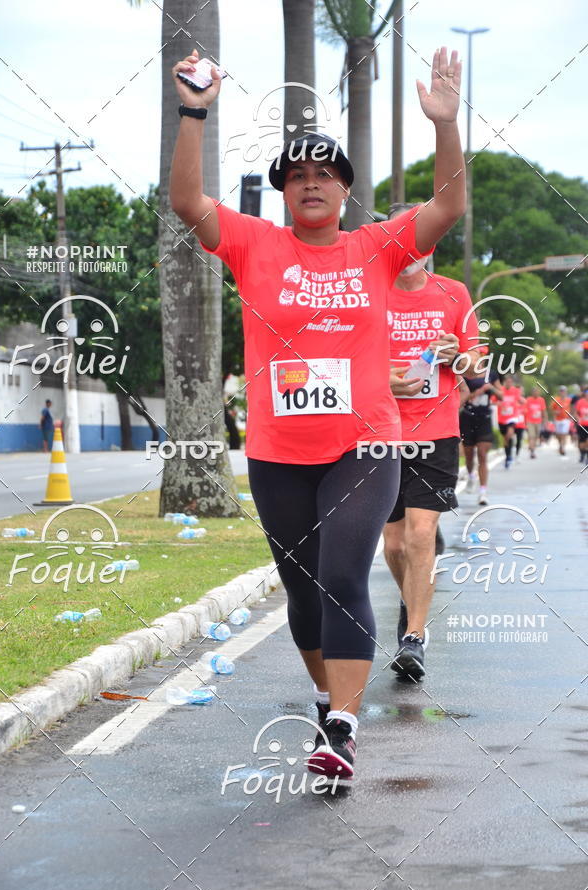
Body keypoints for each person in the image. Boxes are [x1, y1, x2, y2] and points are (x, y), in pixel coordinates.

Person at [169, 47, 466, 778]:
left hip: (364, 446)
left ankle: (341, 727)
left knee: (342, 575)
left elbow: (449, 205)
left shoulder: (376, 247)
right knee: (303, 591)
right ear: (282, 192)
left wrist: (445, 126)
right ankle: (328, 697)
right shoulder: (253, 244)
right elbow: (186, 202)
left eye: (323, 174)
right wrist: (193, 112)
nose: (309, 183)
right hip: (277, 452)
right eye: (296, 176)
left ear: (343, 189)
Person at [382, 203, 479, 680]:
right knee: (395, 544)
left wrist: (457, 355)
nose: (409, 247)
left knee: (422, 535)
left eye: (417, 237)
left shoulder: (454, 294)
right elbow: (345, 360)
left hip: (436, 432)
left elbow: (477, 369)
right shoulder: (370, 294)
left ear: (429, 244)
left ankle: (414, 638)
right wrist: (383, 377)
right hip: (380, 432)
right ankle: (410, 610)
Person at [460, 352, 503, 504]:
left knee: (483, 455)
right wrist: (477, 392)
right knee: (469, 454)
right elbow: (461, 397)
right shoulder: (464, 374)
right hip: (467, 418)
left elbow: (502, 395)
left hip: (484, 418)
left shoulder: (491, 374)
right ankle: (471, 475)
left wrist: (491, 387)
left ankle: (483, 491)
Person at [496, 375, 520, 469]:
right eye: (507, 382)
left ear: (512, 383)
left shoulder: (516, 391)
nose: (509, 383)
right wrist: (498, 403)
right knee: (506, 439)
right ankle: (508, 456)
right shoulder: (500, 390)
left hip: (512, 417)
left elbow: (518, 400)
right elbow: (493, 401)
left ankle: (509, 455)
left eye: (510, 382)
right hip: (501, 418)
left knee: (509, 434)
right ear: (504, 382)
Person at [525, 386, 547, 459]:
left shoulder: (541, 400)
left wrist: (545, 422)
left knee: (536, 437)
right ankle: (532, 452)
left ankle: (532, 448)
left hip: (538, 421)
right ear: (532, 392)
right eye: (534, 391)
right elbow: (525, 411)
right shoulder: (528, 400)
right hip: (530, 421)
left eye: (537, 391)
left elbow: (543, 411)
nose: (536, 393)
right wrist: (525, 421)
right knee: (532, 436)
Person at [550, 385, 572, 456]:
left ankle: (563, 447)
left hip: (566, 419)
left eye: (564, 391)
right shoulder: (556, 399)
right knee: (559, 434)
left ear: (566, 392)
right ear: (559, 392)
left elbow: (572, 408)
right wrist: (555, 412)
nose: (562, 392)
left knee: (564, 434)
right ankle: (560, 444)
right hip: (558, 419)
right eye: (561, 391)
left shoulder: (569, 400)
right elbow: (551, 409)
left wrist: (571, 416)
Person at [572, 386, 588, 463]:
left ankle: (587, 457)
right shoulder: (580, 402)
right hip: (582, 424)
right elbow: (575, 412)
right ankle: (582, 454)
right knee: (582, 441)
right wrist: (577, 418)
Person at [514, 387, 526, 462]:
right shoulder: (513, 401)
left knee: (519, 440)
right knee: (510, 439)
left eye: (521, 391)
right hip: (512, 423)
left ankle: (517, 454)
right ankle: (509, 454)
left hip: (521, 424)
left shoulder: (524, 401)